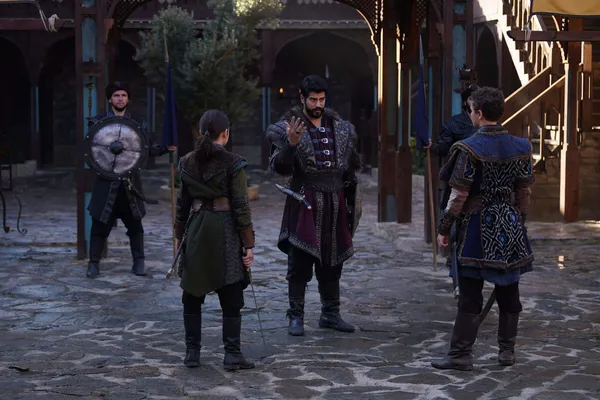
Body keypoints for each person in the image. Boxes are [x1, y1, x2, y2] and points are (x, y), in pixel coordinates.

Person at [431, 87, 535, 371]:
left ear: (477, 113)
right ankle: (506, 352)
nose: (470, 114)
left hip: (477, 226)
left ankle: (460, 355)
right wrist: (519, 221)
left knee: (469, 295)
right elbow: (524, 192)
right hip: (510, 223)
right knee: (508, 289)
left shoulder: (469, 148)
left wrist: (443, 228)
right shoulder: (520, 146)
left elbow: (458, 195)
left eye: (471, 110)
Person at [266, 75, 362, 337]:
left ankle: (330, 313)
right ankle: (295, 315)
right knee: (299, 261)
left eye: (321, 99)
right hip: (304, 201)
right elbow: (279, 167)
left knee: (333, 260)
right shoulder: (287, 127)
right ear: (302, 97)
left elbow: (350, 170)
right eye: (313, 99)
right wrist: (291, 145)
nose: (318, 104)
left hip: (335, 203)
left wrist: (350, 201)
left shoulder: (341, 128)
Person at [174, 109, 255, 371]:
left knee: (192, 291)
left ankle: (192, 352)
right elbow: (241, 205)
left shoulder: (186, 162)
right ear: (226, 133)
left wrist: (179, 238)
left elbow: (182, 205)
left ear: (201, 133)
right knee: (231, 289)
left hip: (197, 228)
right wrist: (248, 244)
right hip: (226, 229)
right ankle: (232, 354)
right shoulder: (234, 162)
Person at [86, 81, 174, 279]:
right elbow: (92, 149)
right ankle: (93, 263)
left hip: (129, 183)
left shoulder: (138, 123)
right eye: (116, 95)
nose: (120, 99)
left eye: (123, 95)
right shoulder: (99, 122)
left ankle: (139, 262)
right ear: (110, 99)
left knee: (135, 227)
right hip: (105, 182)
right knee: (99, 226)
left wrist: (165, 149)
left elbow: (145, 149)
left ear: (128, 99)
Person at [424, 84, 479, 210]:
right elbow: (443, 147)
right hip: (460, 178)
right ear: (465, 102)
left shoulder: (490, 123)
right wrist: (432, 146)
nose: (476, 101)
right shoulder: (454, 123)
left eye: (479, 98)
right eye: (472, 98)